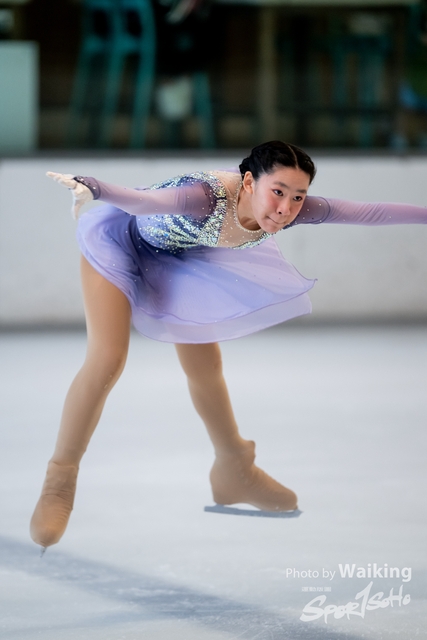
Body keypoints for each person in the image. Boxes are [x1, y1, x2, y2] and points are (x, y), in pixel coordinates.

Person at [30, 140, 427, 550]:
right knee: (108, 360)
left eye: (298, 197)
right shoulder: (203, 197)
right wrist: (94, 187)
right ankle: (60, 479)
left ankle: (235, 468)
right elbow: (144, 202)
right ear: (250, 182)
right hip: (120, 244)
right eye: (278, 192)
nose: (286, 209)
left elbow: (369, 212)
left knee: (207, 366)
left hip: (178, 257)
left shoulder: (292, 210)